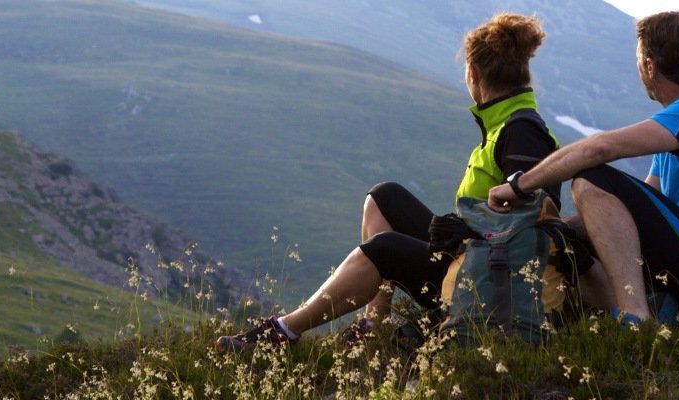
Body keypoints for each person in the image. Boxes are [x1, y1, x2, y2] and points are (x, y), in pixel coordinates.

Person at [216, 12, 562, 351]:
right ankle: (373, 327)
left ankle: (284, 332)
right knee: (384, 198)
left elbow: (533, 221)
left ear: (473, 73)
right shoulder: (506, 124)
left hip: (485, 278)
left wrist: (470, 233)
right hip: (473, 255)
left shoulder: (520, 130)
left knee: (382, 248)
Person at [488, 11, 679, 325]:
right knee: (563, 239)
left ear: (649, 66)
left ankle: (635, 318)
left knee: (591, 177)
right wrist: (562, 228)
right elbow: (634, 211)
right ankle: (653, 308)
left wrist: (519, 185)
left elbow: (599, 148)